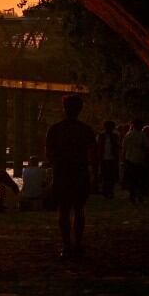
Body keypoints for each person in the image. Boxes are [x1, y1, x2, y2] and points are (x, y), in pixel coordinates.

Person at [45, 94, 96, 257]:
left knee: (63, 210)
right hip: (80, 172)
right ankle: (78, 243)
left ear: (64, 108)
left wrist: (56, 163)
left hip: (62, 172)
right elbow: (92, 153)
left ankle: (66, 244)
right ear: (80, 109)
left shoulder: (55, 129)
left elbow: (48, 153)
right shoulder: (86, 130)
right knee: (79, 209)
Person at [122, 119, 149, 204]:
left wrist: (123, 159)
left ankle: (132, 195)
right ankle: (139, 195)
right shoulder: (142, 135)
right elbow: (148, 147)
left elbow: (124, 148)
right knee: (140, 179)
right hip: (139, 160)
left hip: (129, 159)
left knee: (132, 179)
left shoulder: (128, 135)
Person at [97, 120, 121, 198]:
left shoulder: (114, 136)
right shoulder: (102, 135)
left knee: (110, 176)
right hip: (105, 158)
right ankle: (106, 191)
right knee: (106, 176)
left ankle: (109, 191)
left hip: (111, 158)